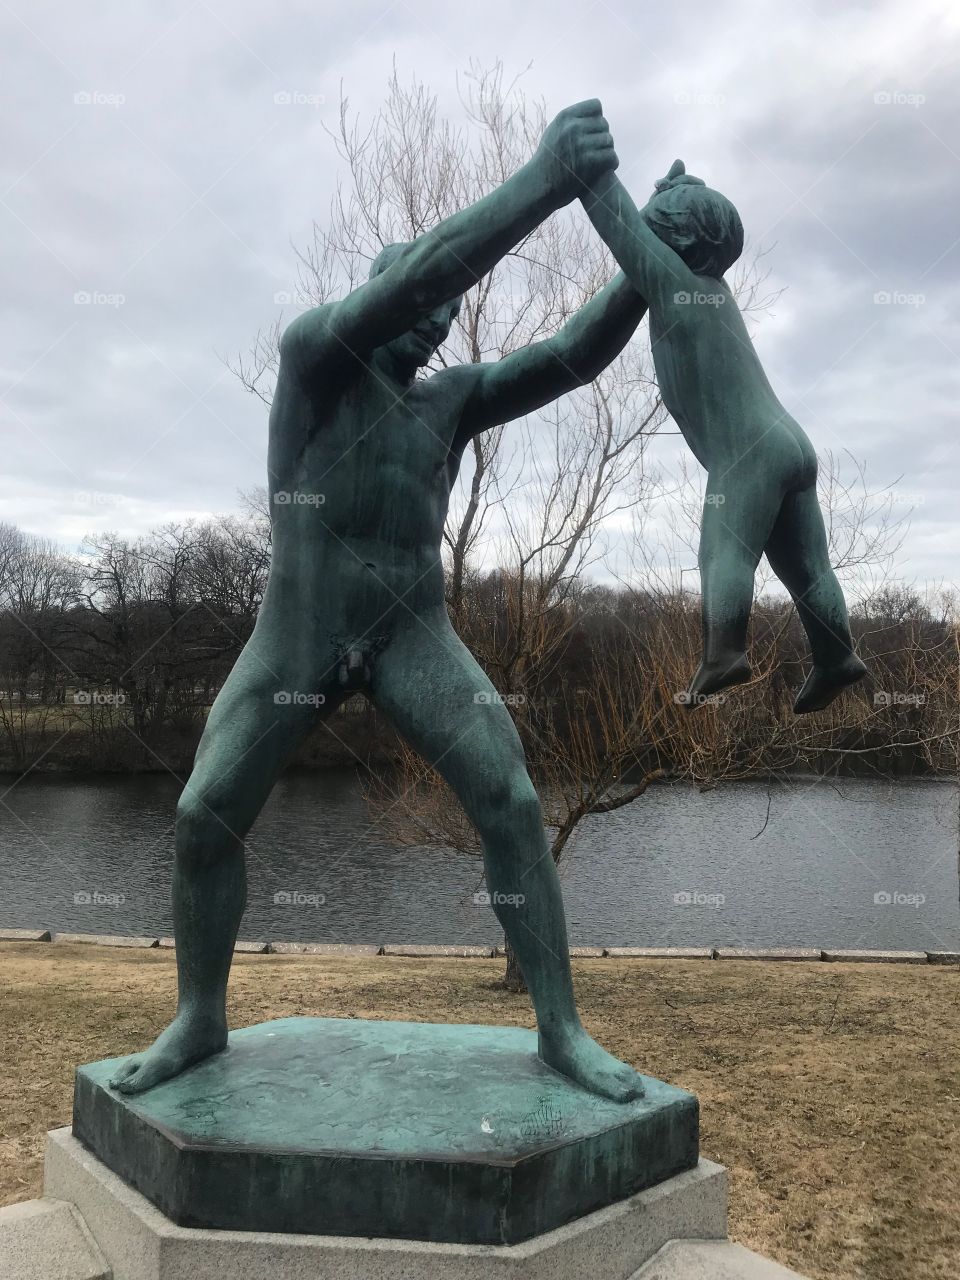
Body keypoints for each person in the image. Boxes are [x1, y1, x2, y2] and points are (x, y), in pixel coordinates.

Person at [109, 101, 650, 1103]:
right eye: (422, 301)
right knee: (202, 812)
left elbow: (573, 355)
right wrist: (544, 179)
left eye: (444, 318)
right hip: (299, 632)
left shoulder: (448, 403)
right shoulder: (314, 359)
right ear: (376, 295)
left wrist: (652, 261)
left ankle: (562, 1028)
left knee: (516, 803)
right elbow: (429, 270)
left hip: (412, 631)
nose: (437, 320)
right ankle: (198, 1014)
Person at [582, 159, 867, 712]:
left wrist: (588, 175)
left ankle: (724, 653)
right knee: (809, 570)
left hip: (749, 451)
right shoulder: (716, 294)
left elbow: (621, 229)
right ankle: (835, 657)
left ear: (674, 236)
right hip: (791, 444)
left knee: (722, 553)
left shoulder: (675, 285)